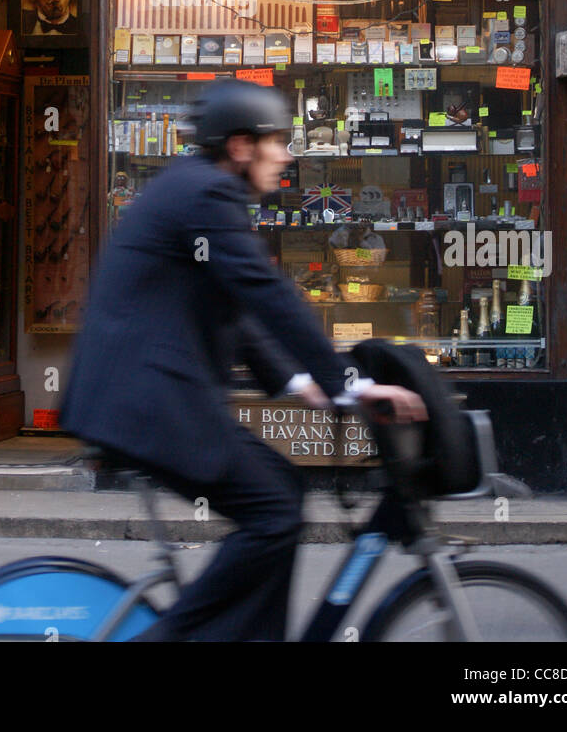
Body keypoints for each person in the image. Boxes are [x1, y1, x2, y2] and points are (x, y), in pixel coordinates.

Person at [60, 81, 427, 641]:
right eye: (276, 142)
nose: (285, 156)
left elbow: (238, 308)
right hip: (148, 402)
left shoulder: (196, 189)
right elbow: (266, 293)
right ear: (239, 147)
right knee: (275, 508)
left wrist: (300, 381)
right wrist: (347, 382)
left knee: (281, 491)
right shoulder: (207, 193)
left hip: (144, 397)